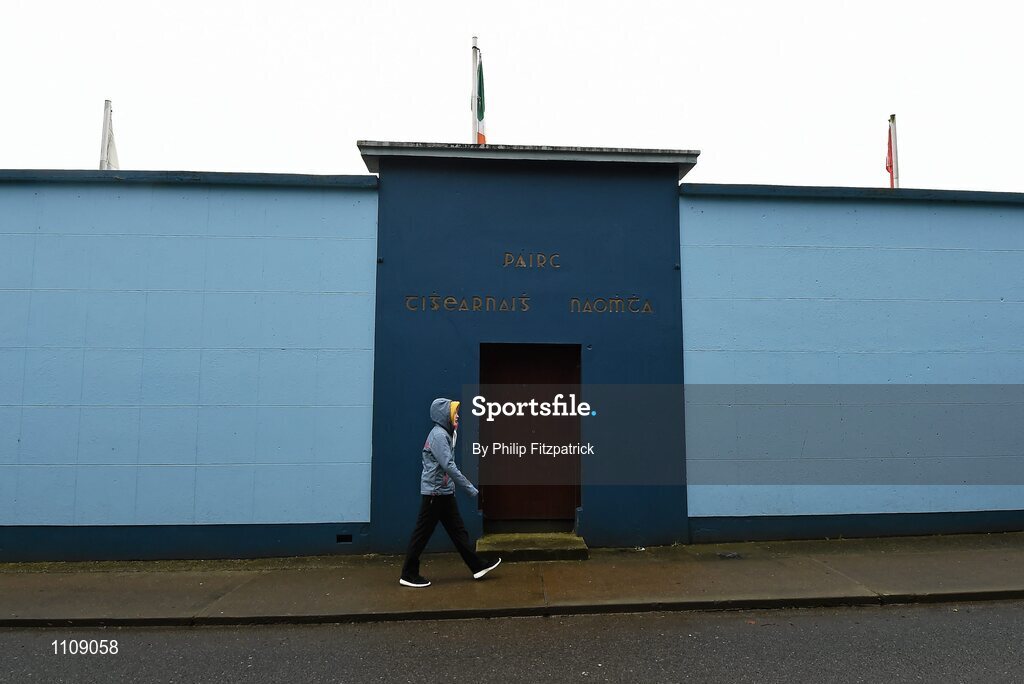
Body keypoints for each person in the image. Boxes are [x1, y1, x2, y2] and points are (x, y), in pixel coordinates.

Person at [400, 397, 501, 588]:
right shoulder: (439, 436)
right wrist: (469, 488)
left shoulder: (447, 433)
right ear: (444, 415)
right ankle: (408, 573)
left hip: (444, 493)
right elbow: (448, 465)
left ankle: (477, 566)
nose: (458, 416)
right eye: (454, 413)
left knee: (458, 532)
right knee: (422, 534)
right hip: (435, 494)